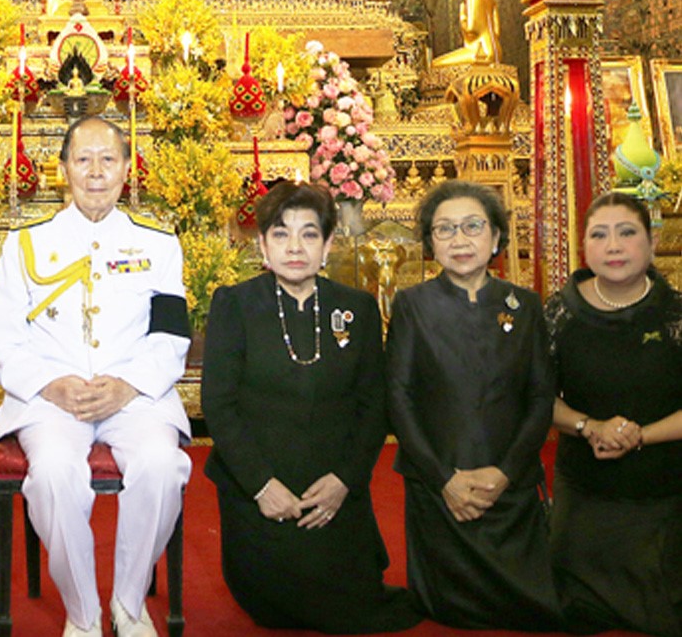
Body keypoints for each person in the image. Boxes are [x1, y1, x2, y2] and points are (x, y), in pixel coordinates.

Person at [0, 116, 191, 637]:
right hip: (53, 397)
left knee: (162, 466)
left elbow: (171, 339)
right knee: (53, 472)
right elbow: (4, 340)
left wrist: (126, 387)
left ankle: (128, 604)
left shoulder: (159, 244)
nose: (95, 172)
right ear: (63, 171)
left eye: (107, 159)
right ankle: (83, 613)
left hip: (135, 396)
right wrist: (51, 385)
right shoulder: (25, 245)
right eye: (83, 159)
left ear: (126, 168)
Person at [202, 182, 419, 633]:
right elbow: (218, 406)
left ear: (328, 245)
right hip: (260, 487)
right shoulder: (235, 304)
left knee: (353, 605)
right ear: (262, 244)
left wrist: (344, 480)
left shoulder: (356, 308)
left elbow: (373, 404)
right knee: (277, 606)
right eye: (281, 234)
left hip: (331, 487)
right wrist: (262, 486)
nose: (295, 247)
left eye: (309, 234)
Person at [386, 179, 560, 629]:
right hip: (438, 488)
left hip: (510, 485)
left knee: (532, 610)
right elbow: (398, 396)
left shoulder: (525, 305)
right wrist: (444, 480)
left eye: (472, 226)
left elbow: (541, 396)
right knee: (445, 616)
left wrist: (504, 474)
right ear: (430, 243)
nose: (459, 240)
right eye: (444, 230)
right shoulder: (411, 304)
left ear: (496, 237)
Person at [545, 191, 682, 637]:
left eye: (627, 233)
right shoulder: (560, 311)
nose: (614, 246)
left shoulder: (676, 313)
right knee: (568, 608)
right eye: (599, 235)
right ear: (584, 245)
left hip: (665, 484)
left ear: (652, 239)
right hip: (584, 483)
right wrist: (590, 426)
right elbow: (536, 397)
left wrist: (640, 435)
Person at [432, 0, 502, 67]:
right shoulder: (491, 1)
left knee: (435, 64)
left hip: (479, 52)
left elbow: (472, 30)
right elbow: (496, 32)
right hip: (496, 51)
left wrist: (462, 16)